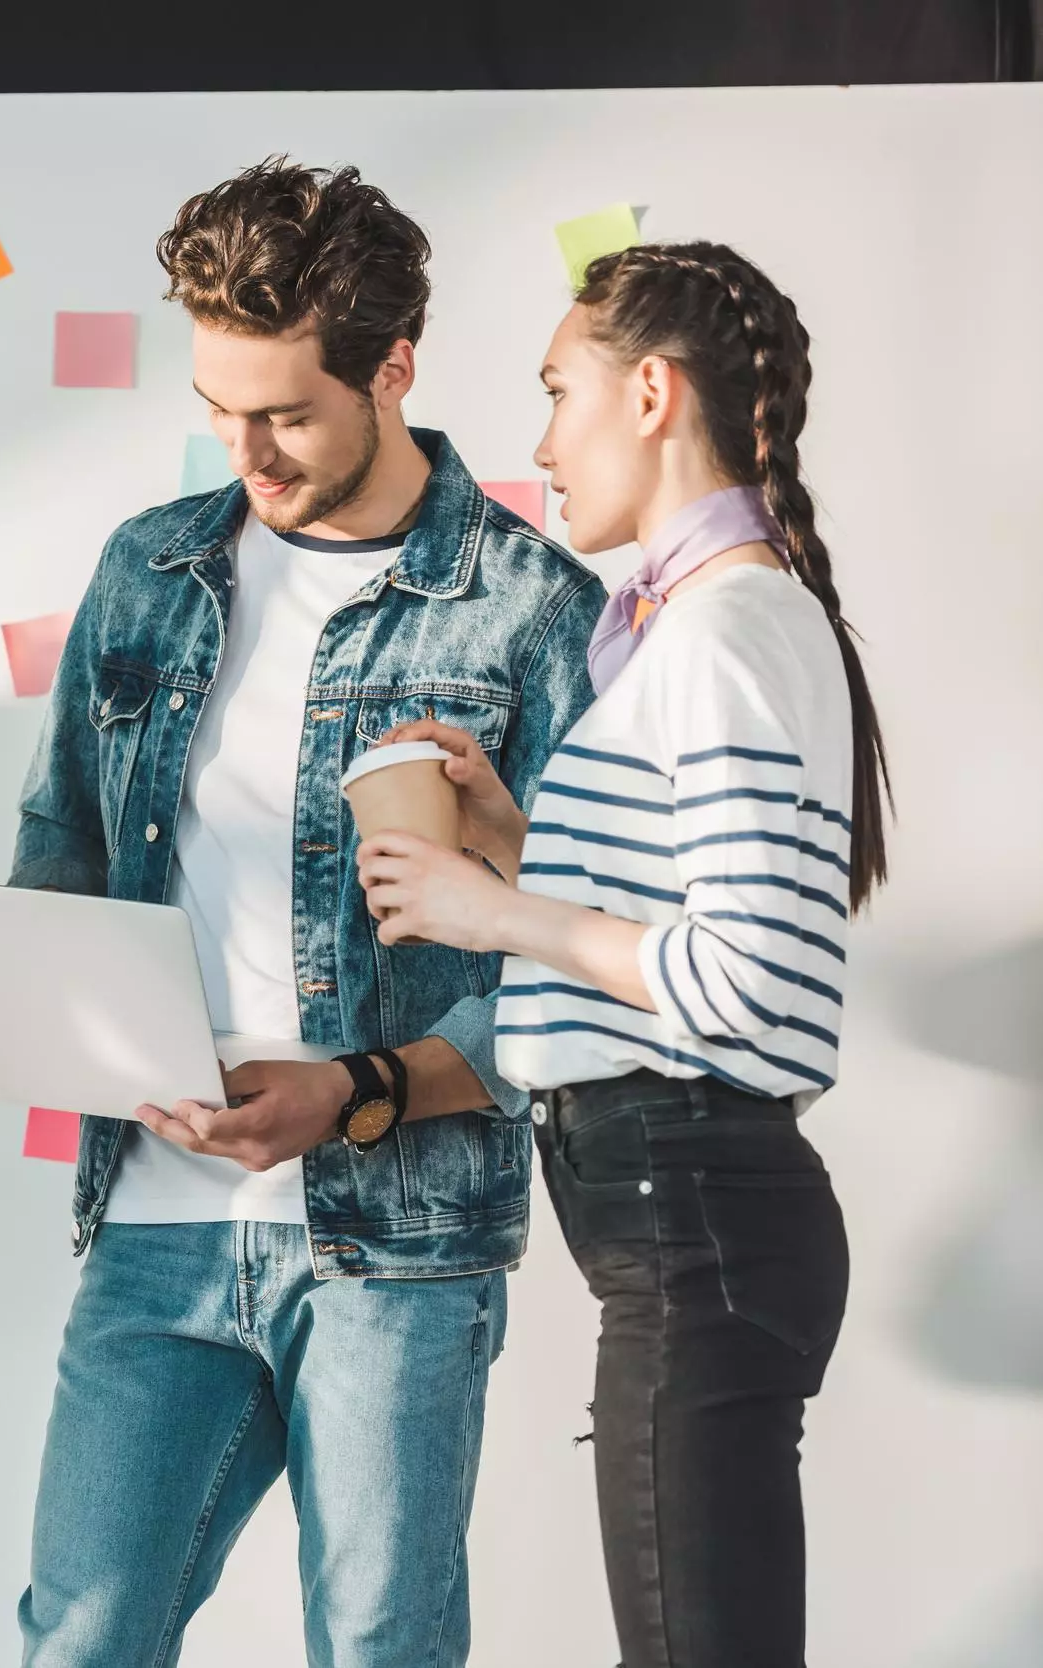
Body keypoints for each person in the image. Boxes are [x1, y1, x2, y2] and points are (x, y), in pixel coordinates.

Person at [9, 157, 604, 1667]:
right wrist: (58, 1018)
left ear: (391, 370)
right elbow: (61, 849)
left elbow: (592, 963)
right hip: (153, 1222)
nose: (247, 448)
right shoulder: (149, 571)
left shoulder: (531, 609)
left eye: (285, 413)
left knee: (380, 1648)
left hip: (397, 1245)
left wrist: (351, 1093)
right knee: (78, 1638)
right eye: (220, 407)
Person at [357, 241, 882, 1668]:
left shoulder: (722, 630)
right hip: (688, 1217)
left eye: (556, 391)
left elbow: (753, 988)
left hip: (693, 1213)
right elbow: (687, 929)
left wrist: (492, 912)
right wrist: (519, 844)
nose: (537, 441)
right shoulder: (705, 627)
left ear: (648, 394)